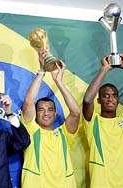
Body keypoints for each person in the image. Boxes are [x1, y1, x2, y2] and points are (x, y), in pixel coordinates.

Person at [82, 54, 123, 188]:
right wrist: (104, 69)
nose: (110, 99)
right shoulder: (92, 121)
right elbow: (87, 100)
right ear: (99, 100)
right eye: (105, 96)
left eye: (114, 96)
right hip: (102, 182)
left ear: (118, 100)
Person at [21, 49, 80, 188]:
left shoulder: (64, 134)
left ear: (55, 114)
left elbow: (76, 113)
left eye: (50, 110)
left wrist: (58, 81)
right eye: (41, 110)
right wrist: (42, 71)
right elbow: (29, 103)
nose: (46, 113)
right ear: (36, 114)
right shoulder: (31, 130)